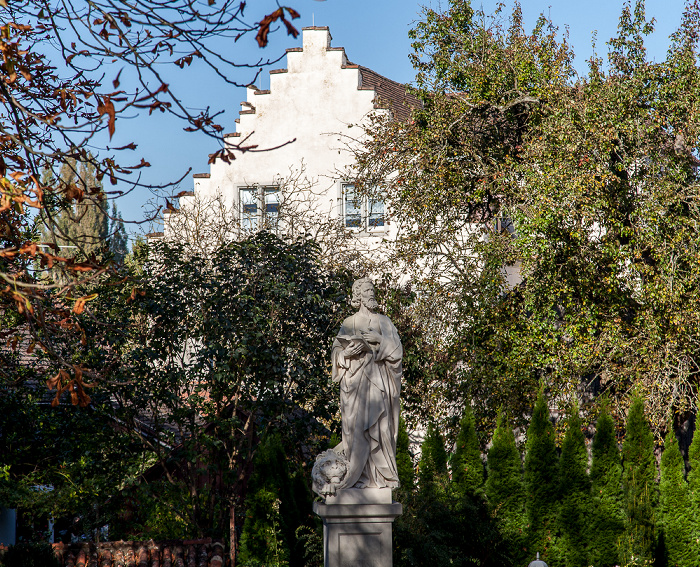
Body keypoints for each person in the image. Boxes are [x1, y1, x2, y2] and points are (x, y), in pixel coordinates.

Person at [331, 277, 403, 489]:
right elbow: (336, 353)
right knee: (355, 431)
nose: (371, 293)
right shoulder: (349, 323)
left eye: (373, 290)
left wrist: (379, 340)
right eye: (367, 290)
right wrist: (346, 352)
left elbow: (397, 352)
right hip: (354, 386)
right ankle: (360, 476)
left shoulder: (384, 321)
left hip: (377, 383)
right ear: (358, 296)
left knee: (379, 429)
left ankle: (380, 477)